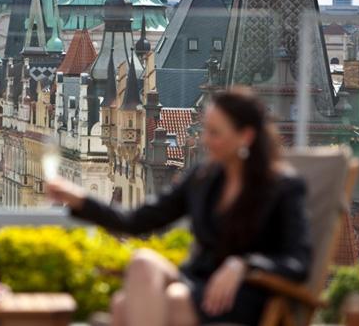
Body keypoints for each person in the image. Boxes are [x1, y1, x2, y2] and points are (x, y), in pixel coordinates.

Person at [46, 89, 311, 326]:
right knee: (142, 263)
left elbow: (298, 262)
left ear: (246, 136)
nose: (205, 140)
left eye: (215, 133)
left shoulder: (283, 187)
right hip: (196, 282)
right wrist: (79, 198)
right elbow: (137, 221)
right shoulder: (203, 179)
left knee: (125, 306)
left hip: (244, 293)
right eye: (206, 130)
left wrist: (243, 265)